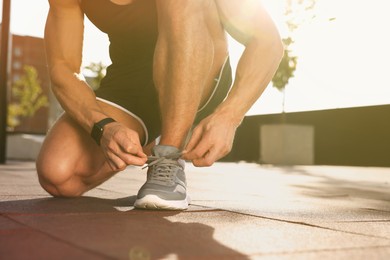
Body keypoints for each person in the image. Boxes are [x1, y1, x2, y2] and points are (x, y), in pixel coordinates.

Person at [37, 0, 283, 210]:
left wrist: (230, 115)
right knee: (59, 173)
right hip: (131, 84)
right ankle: (148, 139)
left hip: (199, 69)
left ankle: (169, 157)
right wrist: (102, 127)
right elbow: (63, 67)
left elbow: (267, 41)